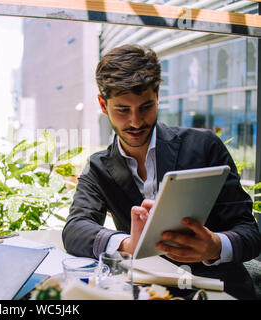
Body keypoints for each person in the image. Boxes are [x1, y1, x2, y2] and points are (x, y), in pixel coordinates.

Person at [62, 44, 261, 299]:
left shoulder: (204, 146)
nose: (135, 121)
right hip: (150, 293)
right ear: (103, 104)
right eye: (122, 109)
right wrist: (127, 245)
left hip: (218, 291)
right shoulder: (98, 167)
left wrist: (214, 247)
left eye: (146, 106)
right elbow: (75, 228)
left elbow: (250, 232)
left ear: (157, 95)